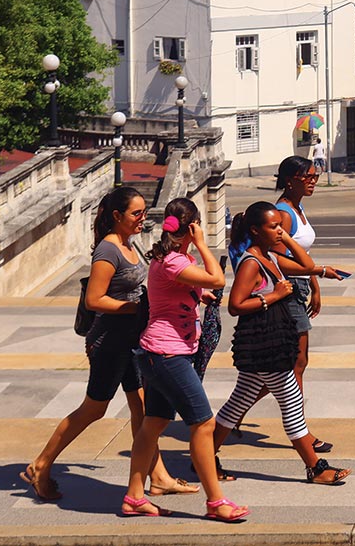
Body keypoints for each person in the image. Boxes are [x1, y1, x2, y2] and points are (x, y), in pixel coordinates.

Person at [22, 188, 195, 503]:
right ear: (117, 216)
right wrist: (137, 308)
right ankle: (41, 464)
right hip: (110, 342)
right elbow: (95, 300)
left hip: (131, 340)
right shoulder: (108, 250)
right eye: (136, 213)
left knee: (141, 407)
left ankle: (159, 479)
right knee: (94, 409)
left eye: (143, 212)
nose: (143, 218)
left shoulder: (130, 244)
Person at [121, 198, 246, 521]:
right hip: (167, 354)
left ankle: (135, 497)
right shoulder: (176, 262)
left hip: (157, 352)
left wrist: (196, 294)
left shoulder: (170, 258)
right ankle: (216, 502)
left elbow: (177, 288)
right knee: (203, 424)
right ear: (192, 227)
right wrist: (205, 246)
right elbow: (218, 279)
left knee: (154, 424)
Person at [213, 202, 350, 486]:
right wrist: (273, 296)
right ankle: (316, 468)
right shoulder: (251, 263)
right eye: (273, 227)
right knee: (292, 404)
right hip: (265, 345)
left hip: (269, 342)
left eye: (281, 226)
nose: (279, 230)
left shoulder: (269, 258)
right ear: (255, 230)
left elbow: (306, 266)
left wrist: (286, 239)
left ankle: (203, 454)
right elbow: (235, 305)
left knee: (237, 403)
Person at [273, 156, 339, 453]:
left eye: (315, 175)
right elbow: (276, 260)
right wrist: (317, 271)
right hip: (286, 291)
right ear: (291, 179)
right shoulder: (283, 213)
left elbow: (301, 254)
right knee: (296, 364)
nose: (313, 180)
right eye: (308, 177)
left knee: (290, 365)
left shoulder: (298, 208)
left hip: (300, 286)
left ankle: (232, 417)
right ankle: (302, 432)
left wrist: (314, 283)